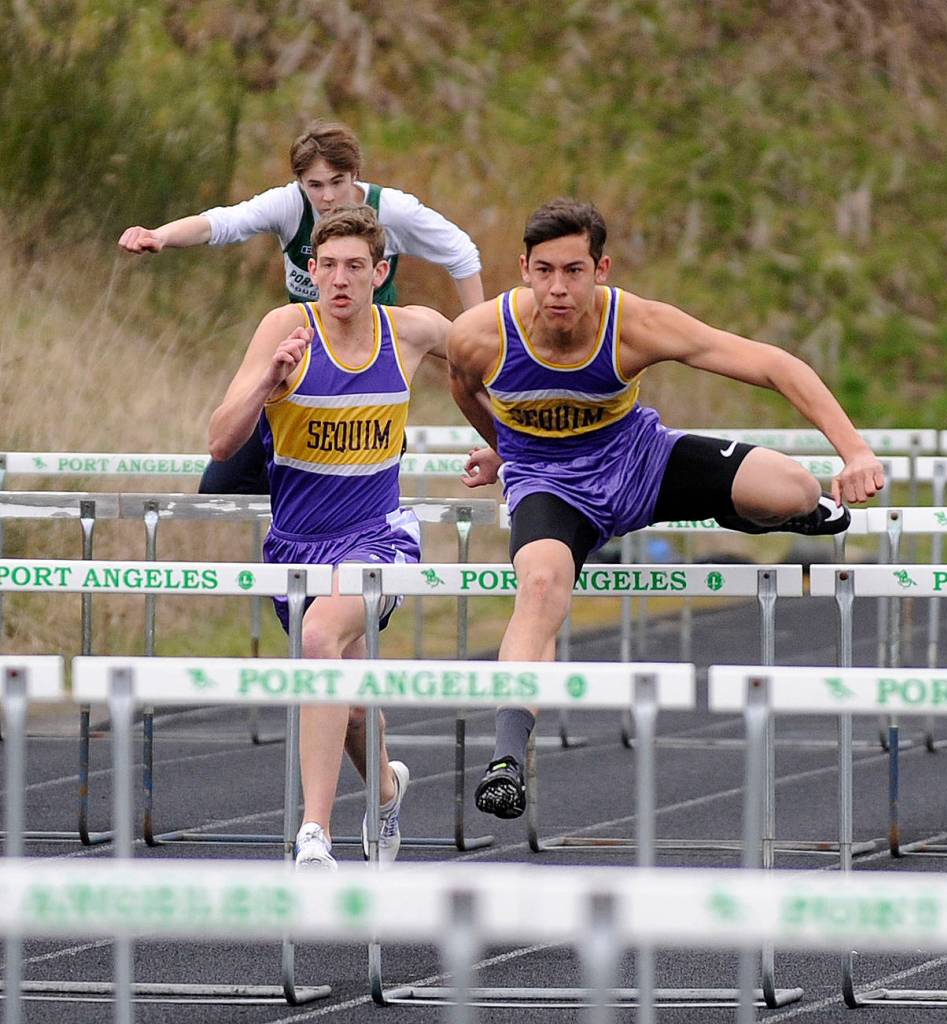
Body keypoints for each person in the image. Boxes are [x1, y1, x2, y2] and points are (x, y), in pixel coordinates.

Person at [448, 197, 885, 821]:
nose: (559, 289)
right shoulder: (479, 336)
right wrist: (506, 450)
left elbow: (772, 364)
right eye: (544, 271)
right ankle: (508, 759)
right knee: (540, 587)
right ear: (522, 269)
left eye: (574, 271)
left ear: (602, 270)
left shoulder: (637, 325)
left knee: (793, 488)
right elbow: (464, 389)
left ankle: (785, 513)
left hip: (642, 464)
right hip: (553, 486)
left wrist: (854, 449)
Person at [208, 205, 450, 867]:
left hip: (379, 537)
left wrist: (504, 445)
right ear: (309, 272)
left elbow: (492, 364)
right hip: (295, 546)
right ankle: (388, 788)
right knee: (341, 703)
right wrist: (268, 381)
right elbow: (220, 440)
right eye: (329, 267)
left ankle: (313, 834)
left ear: (381, 273)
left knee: (320, 638)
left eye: (355, 267)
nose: (340, 279)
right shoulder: (284, 328)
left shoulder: (413, 331)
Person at [123, 119, 482, 493]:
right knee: (221, 486)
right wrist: (161, 235)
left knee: (347, 479)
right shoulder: (289, 207)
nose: (327, 197)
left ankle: (371, 466)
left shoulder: (393, 211)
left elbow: (461, 253)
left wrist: (481, 330)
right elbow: (224, 223)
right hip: (305, 359)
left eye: (337, 182)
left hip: (368, 365)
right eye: (315, 185)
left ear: (355, 174)